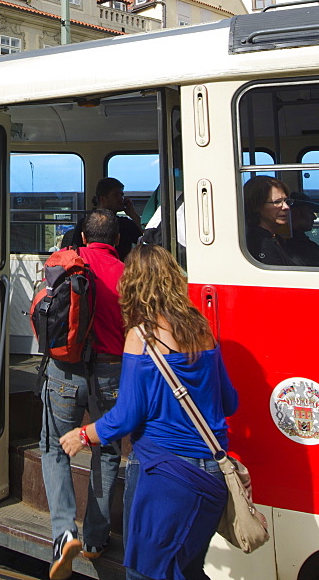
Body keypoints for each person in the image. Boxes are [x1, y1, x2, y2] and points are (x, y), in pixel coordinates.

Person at [60, 243, 238, 580]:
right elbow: (230, 401)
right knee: (186, 569)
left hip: (165, 475)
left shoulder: (141, 337)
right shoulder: (202, 328)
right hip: (213, 475)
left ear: (133, 285)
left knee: (144, 572)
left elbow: (127, 415)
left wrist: (84, 434)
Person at [40, 208, 124, 579]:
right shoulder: (129, 273)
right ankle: (94, 539)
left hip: (64, 371)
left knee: (54, 446)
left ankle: (63, 533)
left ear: (84, 237)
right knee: (106, 451)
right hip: (111, 373)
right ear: (117, 241)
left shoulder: (66, 263)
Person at [63, 177, 141, 260]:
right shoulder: (84, 224)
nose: (121, 199)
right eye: (115, 195)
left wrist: (132, 214)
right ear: (103, 199)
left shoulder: (126, 224)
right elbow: (75, 252)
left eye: (122, 195)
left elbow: (144, 238)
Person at [243, 175, 294, 264]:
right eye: (277, 202)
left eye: (286, 201)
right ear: (257, 206)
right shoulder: (259, 243)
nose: (286, 207)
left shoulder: (275, 238)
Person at [285, 192, 319, 265]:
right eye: (310, 212)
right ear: (297, 213)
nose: (314, 217)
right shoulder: (294, 246)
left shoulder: (303, 242)